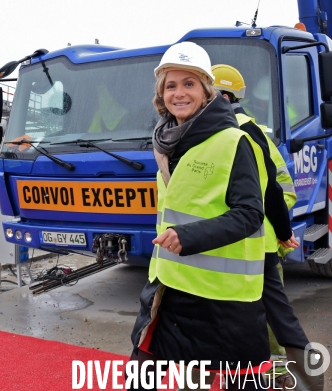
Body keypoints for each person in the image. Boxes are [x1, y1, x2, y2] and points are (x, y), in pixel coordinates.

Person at [129, 42, 270, 390]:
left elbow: (250, 214)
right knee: (140, 377)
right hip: (169, 287)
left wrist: (188, 237)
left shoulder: (232, 141)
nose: (179, 93)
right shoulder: (165, 143)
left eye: (189, 84)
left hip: (220, 302)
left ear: (206, 91)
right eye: (171, 85)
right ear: (161, 94)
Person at [212, 64, 309, 388]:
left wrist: (276, 231)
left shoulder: (244, 132)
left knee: (268, 321)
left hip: (257, 244)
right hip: (233, 244)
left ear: (224, 96)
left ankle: (280, 374)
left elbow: (280, 189)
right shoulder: (213, 131)